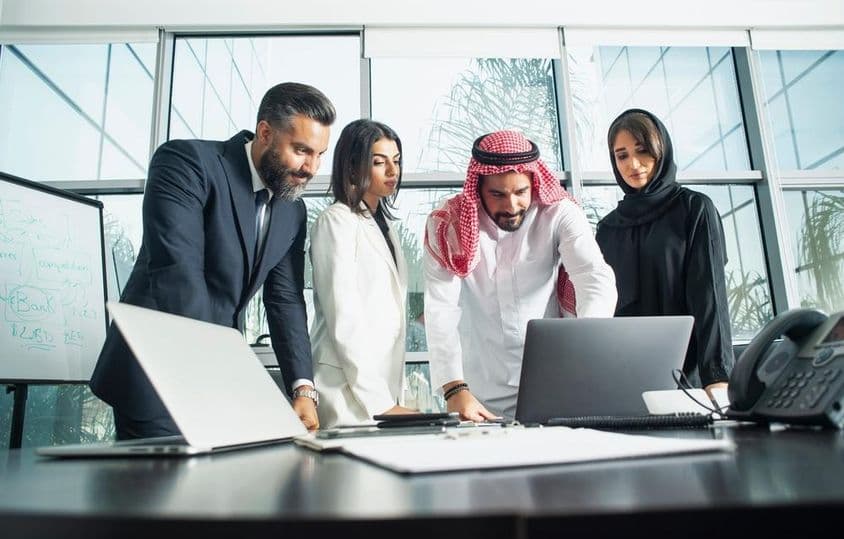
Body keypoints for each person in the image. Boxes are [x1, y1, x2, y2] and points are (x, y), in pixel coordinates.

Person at [90, 82, 335, 439]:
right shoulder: (187, 163)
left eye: (319, 154)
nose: (311, 167)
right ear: (265, 132)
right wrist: (219, 376)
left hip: (215, 384)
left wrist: (303, 389)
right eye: (301, 150)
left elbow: (284, 299)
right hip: (155, 376)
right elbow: (178, 271)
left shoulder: (291, 211)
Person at [423, 130, 617, 421]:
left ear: (534, 184)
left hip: (556, 386)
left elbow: (594, 277)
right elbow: (441, 308)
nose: (511, 206)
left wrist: (585, 348)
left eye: (520, 192)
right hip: (477, 396)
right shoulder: (448, 225)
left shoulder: (559, 213)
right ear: (478, 187)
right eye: (497, 194)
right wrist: (454, 388)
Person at [595, 108, 733, 396]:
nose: (633, 164)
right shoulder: (608, 228)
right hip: (625, 376)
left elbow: (710, 298)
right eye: (622, 155)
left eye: (643, 150)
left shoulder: (695, 209)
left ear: (662, 150)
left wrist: (717, 376)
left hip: (688, 375)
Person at [309, 119, 418, 427]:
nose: (392, 171)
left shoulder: (386, 229)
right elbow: (344, 318)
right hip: (346, 393)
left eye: (396, 161)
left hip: (382, 391)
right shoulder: (336, 221)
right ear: (353, 166)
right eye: (379, 162)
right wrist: (380, 403)